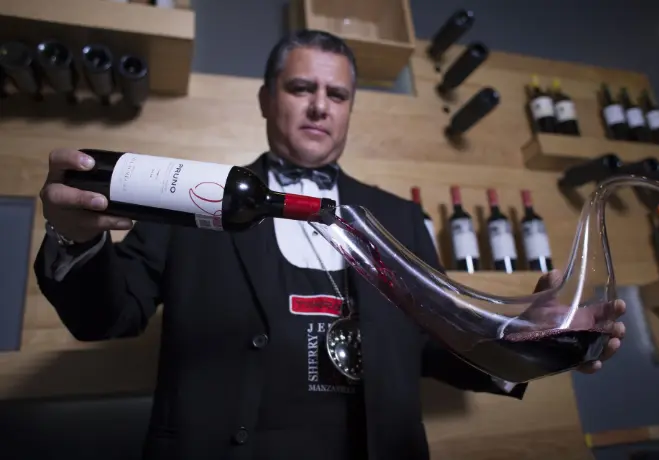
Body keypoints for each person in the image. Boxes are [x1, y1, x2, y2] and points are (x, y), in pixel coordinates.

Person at [34, 30, 626, 460]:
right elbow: (107, 316)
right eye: (301, 88)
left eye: (337, 95)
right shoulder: (190, 196)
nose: (320, 105)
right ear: (266, 99)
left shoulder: (401, 218)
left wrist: (523, 338)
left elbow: (434, 346)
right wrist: (74, 237)